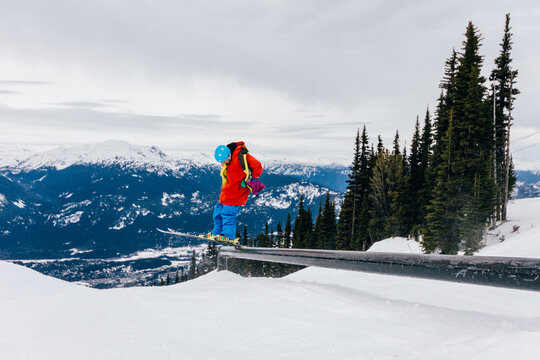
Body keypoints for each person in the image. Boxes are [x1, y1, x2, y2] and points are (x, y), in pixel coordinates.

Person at [209, 141, 263, 244]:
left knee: (228, 214)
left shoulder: (241, 156)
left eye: (224, 161)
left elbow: (258, 166)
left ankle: (228, 236)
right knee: (218, 212)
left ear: (229, 155)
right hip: (226, 193)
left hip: (237, 194)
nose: (222, 164)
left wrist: (252, 178)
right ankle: (217, 232)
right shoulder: (228, 159)